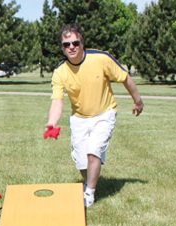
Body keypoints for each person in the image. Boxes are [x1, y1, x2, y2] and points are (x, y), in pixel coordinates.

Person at [45, 23, 144, 208]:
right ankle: (90, 177)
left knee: (93, 152)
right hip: (79, 118)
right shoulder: (60, 72)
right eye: (66, 45)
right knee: (82, 162)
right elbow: (57, 100)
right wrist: (51, 123)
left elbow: (125, 78)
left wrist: (138, 101)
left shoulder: (101, 58)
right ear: (62, 48)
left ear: (82, 43)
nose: (71, 47)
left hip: (104, 114)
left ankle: (89, 193)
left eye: (75, 42)